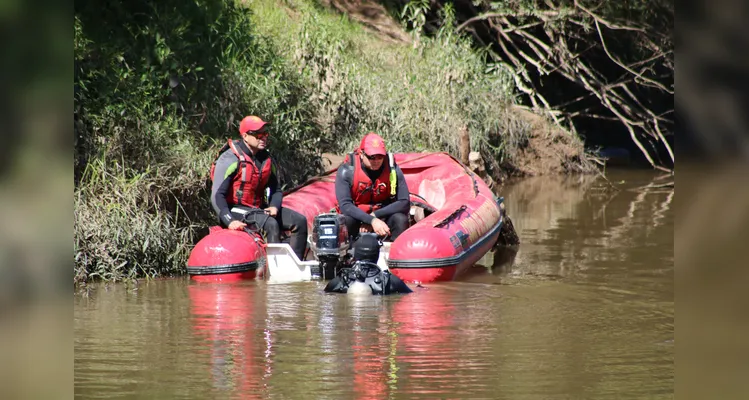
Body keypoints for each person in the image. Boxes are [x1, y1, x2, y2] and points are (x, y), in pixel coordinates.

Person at [210, 115, 308, 259]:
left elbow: (276, 189)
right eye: (258, 134)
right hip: (234, 209)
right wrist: (229, 221)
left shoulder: (266, 159)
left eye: (265, 134)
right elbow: (217, 196)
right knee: (271, 224)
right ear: (245, 136)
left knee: (299, 221)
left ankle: (294, 266)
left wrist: (274, 206)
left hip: (258, 209)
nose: (263, 138)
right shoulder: (229, 159)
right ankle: (274, 269)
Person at [335, 132, 410, 241]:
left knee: (400, 219)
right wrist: (370, 220)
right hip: (356, 217)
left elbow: (404, 202)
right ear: (361, 154)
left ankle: (393, 252)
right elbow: (345, 205)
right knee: (345, 221)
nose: (376, 161)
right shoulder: (346, 171)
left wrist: (375, 216)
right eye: (371, 157)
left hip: (382, 217)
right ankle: (349, 253)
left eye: (380, 157)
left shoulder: (392, 168)